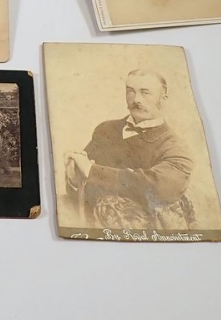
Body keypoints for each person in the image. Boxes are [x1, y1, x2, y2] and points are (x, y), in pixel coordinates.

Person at [65, 69, 195, 230]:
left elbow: (159, 189)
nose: (136, 99)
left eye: (145, 93)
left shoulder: (175, 147)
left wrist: (92, 170)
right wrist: (74, 175)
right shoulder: (105, 130)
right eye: (130, 91)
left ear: (163, 98)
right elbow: (84, 185)